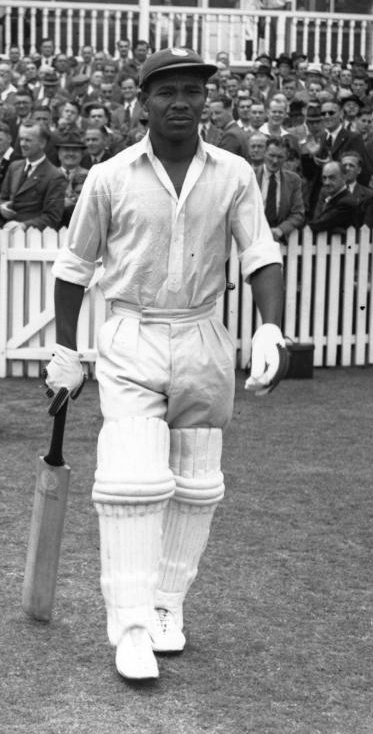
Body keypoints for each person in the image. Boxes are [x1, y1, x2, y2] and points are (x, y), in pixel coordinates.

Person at [46, 47, 286, 681]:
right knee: (130, 480)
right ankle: (128, 627)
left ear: (206, 101)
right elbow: (74, 269)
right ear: (143, 102)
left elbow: (259, 252)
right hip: (132, 334)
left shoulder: (233, 173)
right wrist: (66, 349)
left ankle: (165, 608)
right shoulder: (110, 176)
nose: (181, 101)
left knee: (197, 483)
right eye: (167, 91)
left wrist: (269, 328)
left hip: (204, 335)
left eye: (192, 91)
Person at [0, 120, 65, 231]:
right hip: (8, 232)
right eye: (21, 139)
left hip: (33, 239)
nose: (22, 144)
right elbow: (2, 199)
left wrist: (24, 226)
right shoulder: (14, 167)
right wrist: (2, 208)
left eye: (28, 140)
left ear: (42, 143)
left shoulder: (54, 176)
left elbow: (52, 217)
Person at [257, 136, 305, 242]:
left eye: (280, 157)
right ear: (264, 153)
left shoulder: (293, 180)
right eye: (271, 155)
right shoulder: (250, 176)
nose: (275, 161)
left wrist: (281, 229)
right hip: (253, 238)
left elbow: (298, 213)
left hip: (280, 241)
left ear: (286, 157)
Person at [307, 160, 357, 234]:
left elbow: (319, 224)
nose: (327, 182)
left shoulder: (346, 203)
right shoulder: (327, 197)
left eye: (332, 178)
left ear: (344, 177)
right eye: (324, 178)